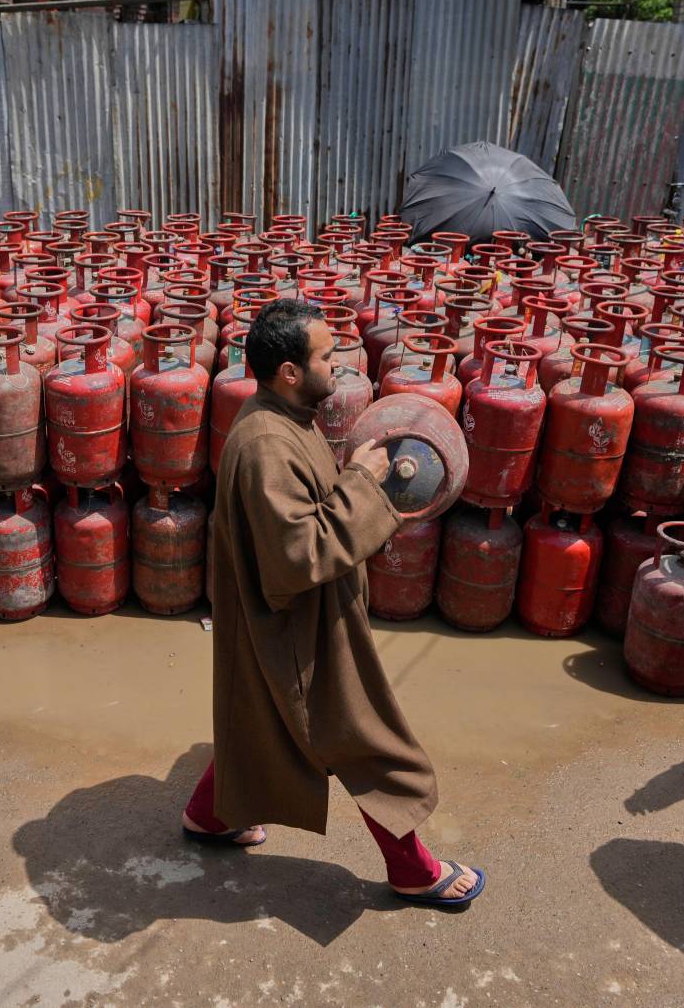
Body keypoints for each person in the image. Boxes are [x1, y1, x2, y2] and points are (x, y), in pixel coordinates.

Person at [178, 298, 485, 907]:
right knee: (360, 739)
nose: (339, 366)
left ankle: (207, 817)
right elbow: (300, 553)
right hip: (297, 625)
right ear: (290, 371)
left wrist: (353, 481)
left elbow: (310, 513)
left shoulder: (289, 417)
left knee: (260, 723)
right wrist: (365, 483)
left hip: (287, 614)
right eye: (326, 357)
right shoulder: (267, 444)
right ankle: (412, 869)